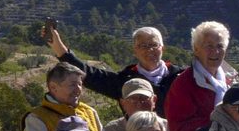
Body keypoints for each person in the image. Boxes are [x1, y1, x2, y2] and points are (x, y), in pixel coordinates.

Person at [47, 24, 185, 105]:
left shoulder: (182, 77)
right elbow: (89, 75)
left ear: (163, 48)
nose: (149, 50)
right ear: (135, 51)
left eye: (154, 45)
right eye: (143, 46)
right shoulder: (124, 81)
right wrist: (59, 48)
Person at [164, 20, 239, 131]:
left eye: (220, 46)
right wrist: (221, 121)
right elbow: (179, 129)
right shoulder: (184, 84)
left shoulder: (232, 79)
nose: (215, 51)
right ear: (196, 50)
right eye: (209, 46)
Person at [22, 62, 102, 131]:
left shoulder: (90, 112)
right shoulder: (36, 118)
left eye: (80, 84)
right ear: (53, 87)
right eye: (72, 85)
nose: (78, 89)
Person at [102, 78, 168, 131]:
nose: (139, 104)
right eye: (133, 99)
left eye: (144, 98)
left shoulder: (169, 128)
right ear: (123, 103)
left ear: (154, 100)